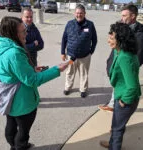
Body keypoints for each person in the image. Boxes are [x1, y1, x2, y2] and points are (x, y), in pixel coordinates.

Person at [0, 16, 68, 150]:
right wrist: (57, 70)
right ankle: (20, 146)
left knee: (10, 125)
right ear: (12, 33)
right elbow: (32, 80)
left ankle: (13, 145)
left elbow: (10, 71)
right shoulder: (14, 53)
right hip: (21, 102)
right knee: (23, 132)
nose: (26, 34)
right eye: (23, 31)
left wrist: (30, 69)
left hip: (7, 100)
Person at [100, 22, 141, 150]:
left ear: (120, 39)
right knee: (117, 126)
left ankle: (114, 146)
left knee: (117, 129)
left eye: (112, 38)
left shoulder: (125, 57)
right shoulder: (122, 51)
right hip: (121, 94)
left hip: (126, 99)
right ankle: (113, 143)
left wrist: (124, 100)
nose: (108, 41)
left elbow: (133, 86)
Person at [99, 4, 143, 112]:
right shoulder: (122, 28)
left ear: (133, 16)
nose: (121, 18)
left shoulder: (139, 34)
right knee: (117, 89)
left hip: (124, 68)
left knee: (124, 90)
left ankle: (118, 108)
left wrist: (125, 68)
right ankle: (113, 105)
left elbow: (138, 56)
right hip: (116, 64)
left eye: (124, 15)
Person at [61, 4, 97, 98]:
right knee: (69, 73)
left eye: (81, 13)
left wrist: (91, 52)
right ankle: (68, 87)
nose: (79, 15)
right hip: (71, 56)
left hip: (84, 56)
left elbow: (95, 39)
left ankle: (83, 89)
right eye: (77, 13)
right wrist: (62, 52)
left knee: (84, 74)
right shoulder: (69, 24)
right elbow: (64, 39)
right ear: (74, 13)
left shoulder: (90, 24)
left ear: (85, 13)